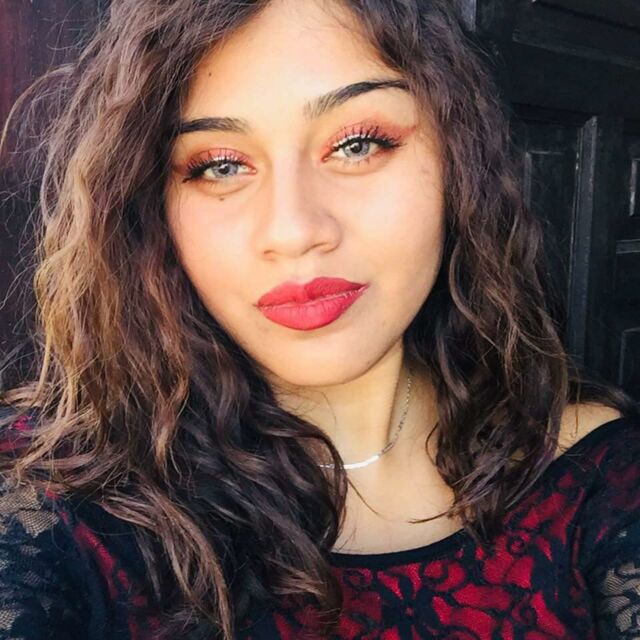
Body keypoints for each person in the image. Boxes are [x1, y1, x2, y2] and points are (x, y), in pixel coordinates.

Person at [0, 0, 638, 638]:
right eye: (221, 165)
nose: (294, 230)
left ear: (458, 160)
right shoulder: (44, 496)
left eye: (357, 145)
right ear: (151, 207)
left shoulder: (597, 474)